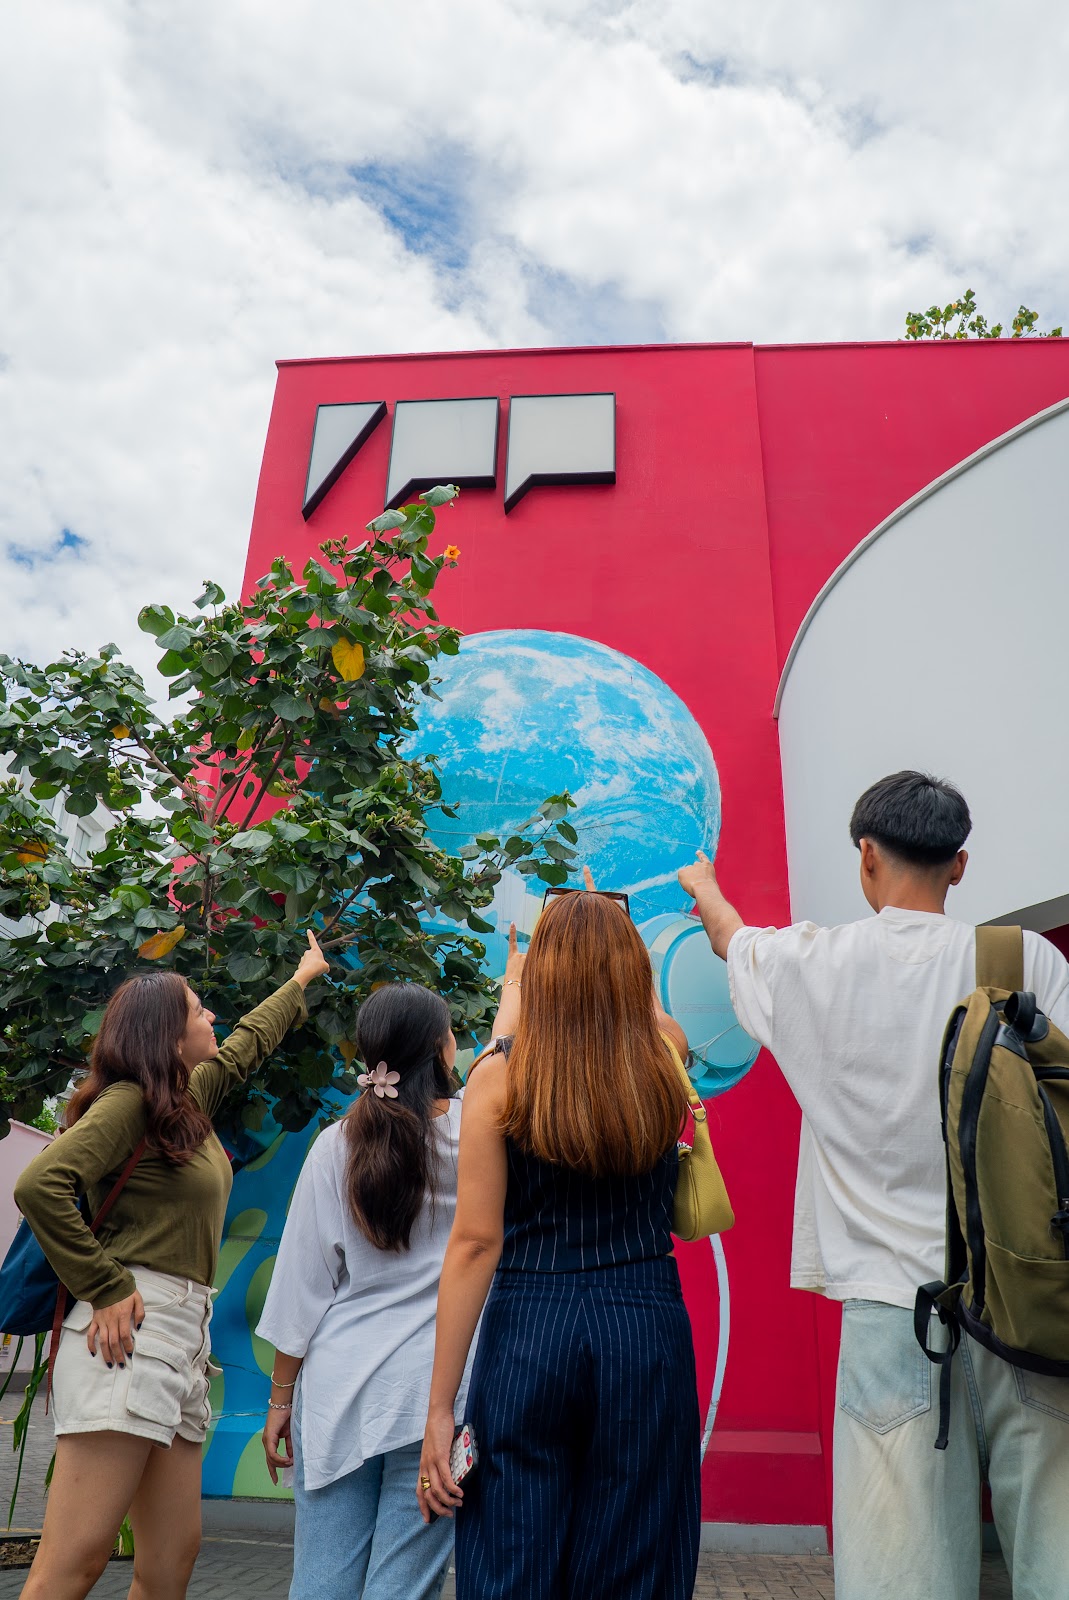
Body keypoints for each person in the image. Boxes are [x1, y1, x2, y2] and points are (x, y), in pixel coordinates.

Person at [678, 771, 1069, 1600]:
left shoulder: (808, 964)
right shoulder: (1023, 960)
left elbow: (729, 939)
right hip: (1027, 1297)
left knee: (899, 1572)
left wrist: (703, 886)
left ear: (866, 855)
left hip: (890, 1307)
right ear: (957, 865)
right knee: (1057, 1550)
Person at [13, 931, 329, 1600]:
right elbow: (40, 1185)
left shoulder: (184, 1106)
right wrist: (103, 1285)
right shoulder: (128, 1102)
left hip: (184, 1340)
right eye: (196, 1009)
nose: (209, 1016)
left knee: (171, 1562)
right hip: (131, 1331)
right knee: (77, 1560)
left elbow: (246, 1045)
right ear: (165, 1033)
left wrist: (302, 981)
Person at [418, 882, 701, 1600]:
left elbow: (474, 1244)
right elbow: (651, 1019)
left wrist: (438, 1408)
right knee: (636, 1556)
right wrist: (616, 959)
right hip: (644, 1322)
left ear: (536, 971)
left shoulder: (495, 1077)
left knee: (510, 1554)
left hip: (527, 1329)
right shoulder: (664, 1051)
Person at [257, 982, 468, 1600]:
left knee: (320, 1583)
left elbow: (303, 1287)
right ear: (441, 1050)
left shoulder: (336, 1146)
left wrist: (279, 1402)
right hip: (434, 1398)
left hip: (337, 1392)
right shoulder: (477, 1139)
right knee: (402, 1587)